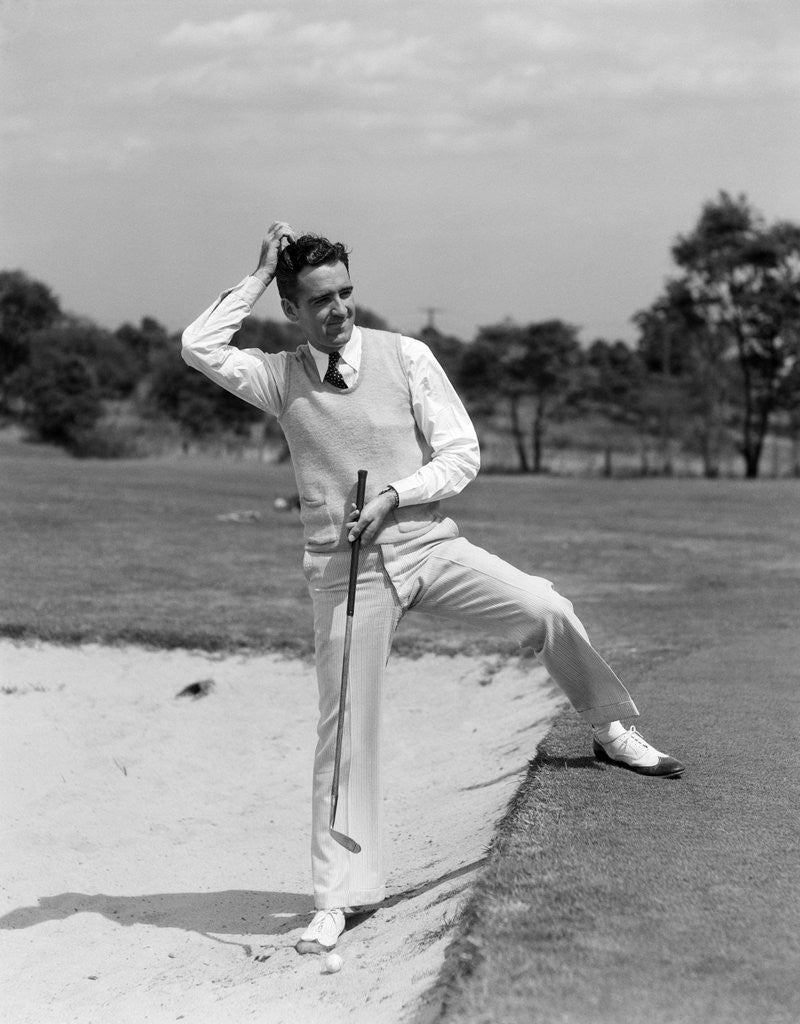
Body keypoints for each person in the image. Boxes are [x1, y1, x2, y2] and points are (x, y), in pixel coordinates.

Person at [181, 221, 685, 955]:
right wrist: (256, 275)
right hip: (344, 572)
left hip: (425, 544)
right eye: (320, 300)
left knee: (548, 605)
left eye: (347, 292)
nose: (339, 309)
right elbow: (199, 346)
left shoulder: (406, 355)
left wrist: (397, 492)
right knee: (345, 730)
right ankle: (338, 896)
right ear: (292, 308)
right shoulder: (276, 375)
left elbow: (460, 455)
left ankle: (609, 727)